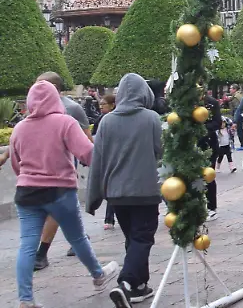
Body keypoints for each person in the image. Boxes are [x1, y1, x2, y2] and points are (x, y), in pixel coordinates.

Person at [9, 79, 119, 308]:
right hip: (59, 191)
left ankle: (25, 299)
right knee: (77, 237)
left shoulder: (19, 128)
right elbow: (88, 154)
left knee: (27, 245)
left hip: (26, 193)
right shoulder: (65, 123)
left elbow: (16, 163)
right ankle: (98, 275)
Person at [85, 73, 163, 307]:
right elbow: (159, 151)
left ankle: (140, 285)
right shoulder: (151, 118)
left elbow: (97, 160)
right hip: (145, 190)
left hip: (117, 194)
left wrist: (93, 197)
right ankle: (127, 283)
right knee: (142, 238)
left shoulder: (107, 121)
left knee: (133, 238)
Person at [29, 72, 91, 270]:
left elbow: (87, 138)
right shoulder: (34, 108)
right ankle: (78, 241)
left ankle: (42, 253)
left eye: (41, 85)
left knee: (56, 208)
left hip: (62, 168)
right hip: (39, 166)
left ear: (54, 88)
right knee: (64, 208)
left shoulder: (72, 108)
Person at [93, 94, 117, 230]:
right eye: (100, 104)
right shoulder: (100, 120)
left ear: (112, 105)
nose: (101, 106)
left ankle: (110, 219)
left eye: (104, 104)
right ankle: (109, 218)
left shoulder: (112, 119)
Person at [198, 92, 223, 220]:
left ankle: (211, 207)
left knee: (208, 176)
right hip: (190, 144)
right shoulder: (184, 101)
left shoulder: (211, 102)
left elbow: (217, 122)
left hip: (209, 144)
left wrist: (201, 129)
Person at [229, 85, 243, 149]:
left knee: (237, 129)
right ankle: (242, 144)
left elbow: (237, 109)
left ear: (235, 89)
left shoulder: (236, 97)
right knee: (239, 129)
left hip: (239, 114)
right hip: (242, 114)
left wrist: (235, 120)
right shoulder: (239, 95)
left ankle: (242, 145)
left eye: (230, 88)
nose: (229, 90)